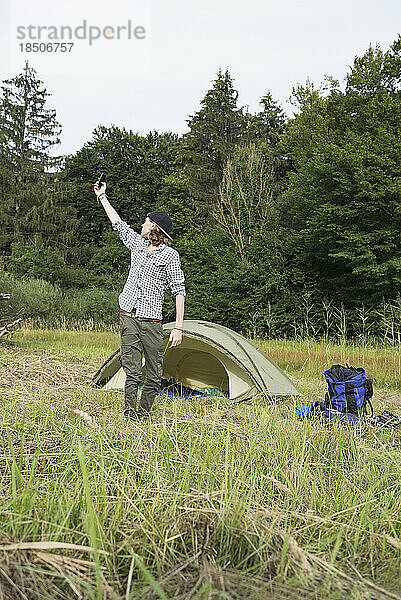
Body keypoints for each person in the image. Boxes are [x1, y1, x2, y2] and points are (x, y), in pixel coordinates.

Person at [93, 179, 186, 421]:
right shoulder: (137, 245)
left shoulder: (171, 256)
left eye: (146, 222)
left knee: (154, 375)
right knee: (132, 372)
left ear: (155, 227)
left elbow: (179, 291)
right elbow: (118, 224)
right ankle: (130, 416)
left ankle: (143, 414)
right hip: (129, 317)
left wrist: (178, 327)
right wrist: (103, 197)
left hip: (151, 321)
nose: (142, 224)